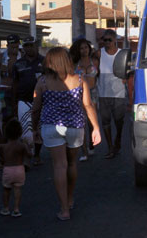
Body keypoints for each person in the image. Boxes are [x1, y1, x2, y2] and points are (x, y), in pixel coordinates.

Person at [30, 47, 100, 221]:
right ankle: (69, 199)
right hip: (75, 127)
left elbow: (36, 108)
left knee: (59, 165)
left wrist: (34, 128)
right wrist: (96, 128)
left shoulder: (43, 81)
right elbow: (88, 105)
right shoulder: (79, 79)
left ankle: (64, 209)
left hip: (52, 126)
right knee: (71, 164)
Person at [12, 36, 44, 165]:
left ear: (36, 45)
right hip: (23, 101)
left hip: (42, 101)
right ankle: (27, 156)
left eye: (31, 45)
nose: (29, 48)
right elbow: (14, 84)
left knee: (39, 129)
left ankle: (36, 155)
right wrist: (14, 103)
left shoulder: (45, 61)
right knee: (25, 131)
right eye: (26, 46)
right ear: (23, 47)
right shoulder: (18, 64)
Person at [97, 29, 127, 159]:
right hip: (103, 93)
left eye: (109, 40)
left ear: (115, 40)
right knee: (105, 121)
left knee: (119, 121)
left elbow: (128, 70)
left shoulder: (122, 54)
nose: (107, 42)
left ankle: (118, 139)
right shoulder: (99, 53)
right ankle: (110, 147)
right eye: (104, 40)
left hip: (119, 93)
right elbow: (92, 69)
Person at [70, 38, 99, 161]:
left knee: (92, 122)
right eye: (81, 48)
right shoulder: (74, 63)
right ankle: (84, 151)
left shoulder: (95, 61)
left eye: (86, 47)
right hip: (80, 94)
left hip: (93, 93)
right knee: (81, 123)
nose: (84, 50)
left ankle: (91, 145)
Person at [0, 119, 28, 217]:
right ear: (20, 132)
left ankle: (6, 208)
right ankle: (16, 209)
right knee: (17, 189)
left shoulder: (4, 146)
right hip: (19, 170)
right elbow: (29, 154)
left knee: (6, 189)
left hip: (8, 170)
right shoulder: (21, 145)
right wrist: (27, 145)